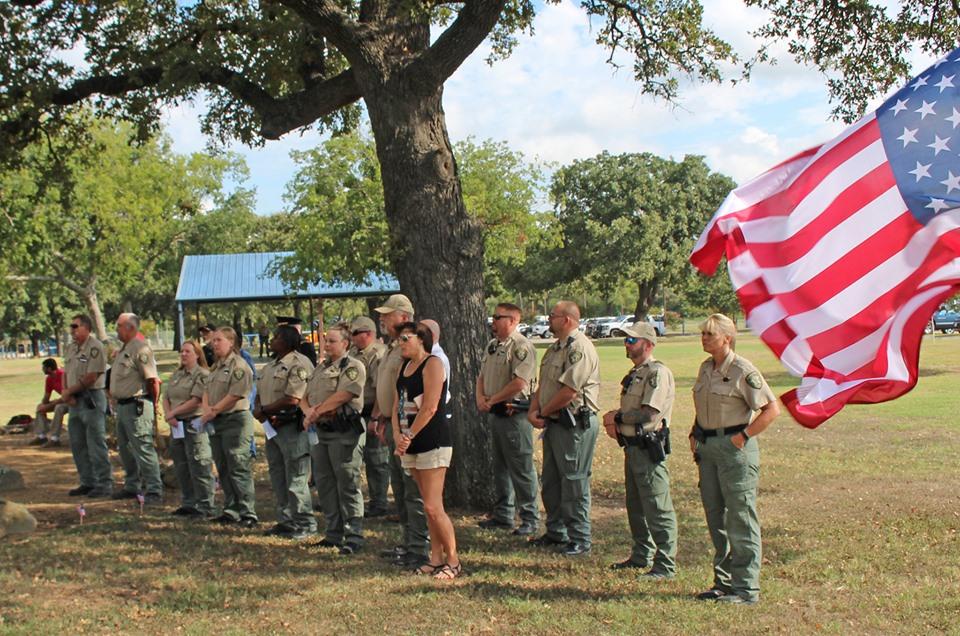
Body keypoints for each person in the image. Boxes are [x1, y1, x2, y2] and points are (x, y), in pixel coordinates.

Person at [690, 313, 779, 605]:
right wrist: (695, 431)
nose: (704, 338)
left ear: (727, 338)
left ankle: (746, 588)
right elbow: (703, 406)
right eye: (703, 333)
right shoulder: (706, 368)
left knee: (740, 517)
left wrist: (743, 437)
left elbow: (770, 410)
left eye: (710, 334)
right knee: (716, 517)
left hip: (735, 450)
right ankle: (723, 582)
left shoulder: (742, 369)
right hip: (708, 448)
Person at [602, 321, 678, 579]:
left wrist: (617, 417)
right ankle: (641, 555)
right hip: (632, 448)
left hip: (648, 448)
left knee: (657, 506)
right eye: (626, 339)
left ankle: (665, 563)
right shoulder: (636, 373)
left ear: (648, 344)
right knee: (635, 505)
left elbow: (649, 413)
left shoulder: (657, 373)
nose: (627, 343)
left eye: (632, 340)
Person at [528, 301, 600, 557]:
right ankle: (557, 532)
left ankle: (580, 538)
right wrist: (533, 410)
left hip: (574, 424)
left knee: (574, 482)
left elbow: (569, 392)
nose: (548, 319)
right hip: (555, 423)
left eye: (553, 315)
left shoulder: (579, 348)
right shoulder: (555, 349)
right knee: (551, 481)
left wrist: (543, 412)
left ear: (567, 320)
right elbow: (544, 386)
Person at [392, 321, 459, 579]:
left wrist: (408, 435)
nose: (401, 343)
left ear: (421, 339)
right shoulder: (403, 366)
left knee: (433, 506)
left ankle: (453, 560)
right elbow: (398, 404)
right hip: (410, 442)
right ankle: (435, 557)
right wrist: (398, 433)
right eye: (399, 339)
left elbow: (430, 407)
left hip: (433, 441)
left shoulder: (433, 364)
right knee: (425, 504)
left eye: (405, 338)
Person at [371, 294, 429, 568]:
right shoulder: (394, 347)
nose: (382, 319)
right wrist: (383, 419)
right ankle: (408, 543)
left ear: (404, 317)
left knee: (413, 490)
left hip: (409, 427)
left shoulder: (414, 345)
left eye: (388, 314)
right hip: (393, 424)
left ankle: (420, 546)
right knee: (401, 488)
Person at [302, 323, 367, 554]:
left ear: (345, 344)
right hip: (322, 432)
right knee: (325, 482)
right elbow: (305, 396)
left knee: (347, 482)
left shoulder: (352, 367)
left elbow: (344, 394)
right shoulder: (321, 368)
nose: (326, 344)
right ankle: (333, 533)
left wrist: (315, 412)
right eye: (325, 340)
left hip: (344, 432)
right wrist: (308, 412)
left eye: (331, 341)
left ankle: (354, 534)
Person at [476, 303, 540, 536]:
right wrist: (480, 397)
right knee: (500, 467)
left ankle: (530, 517)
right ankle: (503, 515)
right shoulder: (493, 345)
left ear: (512, 320)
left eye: (497, 317)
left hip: (514, 414)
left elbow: (519, 383)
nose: (493, 321)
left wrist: (491, 400)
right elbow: (481, 375)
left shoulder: (521, 347)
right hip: (496, 413)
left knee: (521, 468)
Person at [254, 324, 316, 539]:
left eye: (277, 337)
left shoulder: (299, 364)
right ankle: (286, 520)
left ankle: (305, 523)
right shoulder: (271, 365)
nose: (272, 340)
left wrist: (265, 410)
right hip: (272, 427)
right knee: (278, 474)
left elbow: (293, 398)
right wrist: (259, 408)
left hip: (291, 426)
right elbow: (260, 391)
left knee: (297, 477)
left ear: (288, 341)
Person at [200, 326, 259, 528]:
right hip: (216, 420)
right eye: (213, 340)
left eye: (218, 340)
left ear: (231, 342)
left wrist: (213, 410)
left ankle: (248, 512)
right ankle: (231, 509)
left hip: (235, 420)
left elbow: (236, 394)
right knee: (223, 465)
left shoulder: (240, 365)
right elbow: (206, 390)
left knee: (238, 465)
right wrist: (208, 409)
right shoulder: (216, 366)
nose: (213, 344)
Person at [108, 313, 164, 503]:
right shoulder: (124, 348)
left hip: (137, 405)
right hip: (122, 406)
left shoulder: (141, 349)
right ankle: (132, 485)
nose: (116, 330)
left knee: (143, 447)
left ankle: (154, 488)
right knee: (125, 449)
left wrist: (154, 403)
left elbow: (152, 380)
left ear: (130, 327)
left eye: (119, 326)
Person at [60, 315, 113, 497]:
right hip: (74, 400)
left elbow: (92, 376)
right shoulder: (71, 348)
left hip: (91, 399)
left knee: (95, 442)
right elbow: (65, 372)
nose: (72, 330)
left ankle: (104, 483)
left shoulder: (95, 347)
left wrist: (69, 391)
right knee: (77, 442)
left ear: (86, 328)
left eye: (75, 326)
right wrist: (66, 393)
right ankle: (87, 481)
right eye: (71, 326)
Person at [162, 340, 215, 517]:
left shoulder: (202, 374)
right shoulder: (177, 375)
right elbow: (166, 396)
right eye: (182, 351)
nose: (183, 354)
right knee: (181, 465)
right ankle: (188, 502)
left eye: (187, 352)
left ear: (197, 354)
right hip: (177, 425)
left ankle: (205, 505)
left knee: (199, 465)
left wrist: (172, 413)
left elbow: (196, 400)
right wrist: (169, 414)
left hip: (194, 424)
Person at [348, 316, 389, 518]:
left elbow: (381, 389)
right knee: (353, 458)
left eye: (355, 333)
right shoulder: (353, 353)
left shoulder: (378, 354)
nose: (352, 337)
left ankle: (380, 502)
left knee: (377, 459)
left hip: (373, 410)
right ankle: (354, 500)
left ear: (369, 334)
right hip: (355, 412)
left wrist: (375, 418)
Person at [30, 358, 68, 448]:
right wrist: (43, 405)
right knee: (40, 408)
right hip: (60, 400)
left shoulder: (62, 375)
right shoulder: (49, 379)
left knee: (59, 408)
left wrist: (51, 404)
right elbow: (47, 396)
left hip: (70, 401)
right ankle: (41, 435)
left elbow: (66, 396)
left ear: (49, 369)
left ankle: (55, 438)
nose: (42, 369)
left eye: (44, 367)